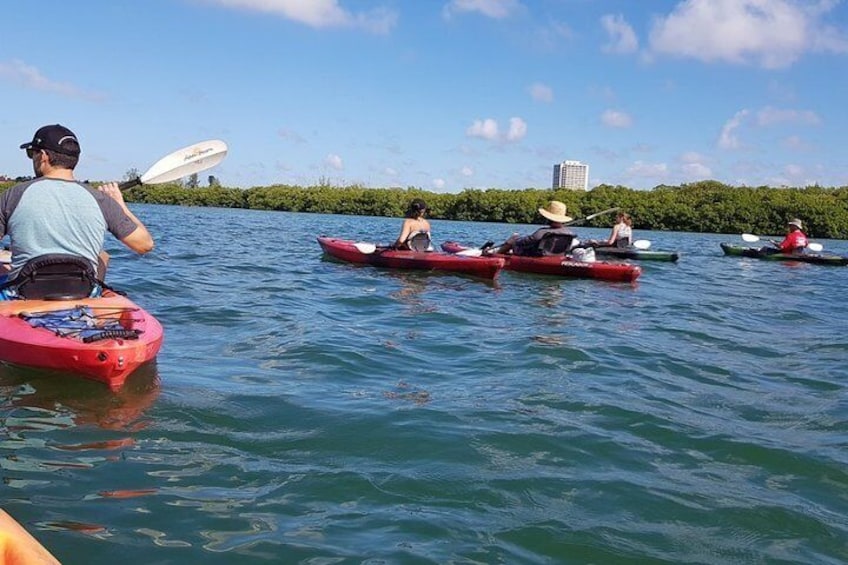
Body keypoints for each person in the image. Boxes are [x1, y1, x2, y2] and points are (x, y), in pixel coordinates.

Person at [0, 124, 154, 295]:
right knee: (102, 256)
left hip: (25, 293)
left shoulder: (14, 194)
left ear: (43, 156)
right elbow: (145, 245)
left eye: (32, 153)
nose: (32, 158)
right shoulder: (100, 199)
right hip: (80, 292)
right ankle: (90, 305)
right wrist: (119, 204)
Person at [488, 200, 576, 256]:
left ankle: (494, 255)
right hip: (557, 255)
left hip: (535, 254)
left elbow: (524, 242)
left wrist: (515, 239)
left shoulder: (542, 232)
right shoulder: (569, 233)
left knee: (514, 238)